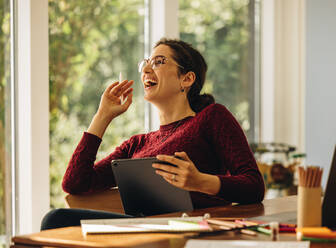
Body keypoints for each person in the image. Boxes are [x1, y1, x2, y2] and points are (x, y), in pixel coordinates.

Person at [41, 38, 265, 230]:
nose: (146, 70)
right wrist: (102, 116)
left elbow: (254, 186)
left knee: (55, 220)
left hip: (188, 229)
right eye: (145, 64)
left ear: (186, 79)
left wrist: (200, 181)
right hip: (141, 228)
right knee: (55, 220)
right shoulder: (136, 144)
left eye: (158, 62)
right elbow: (75, 183)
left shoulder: (212, 117)